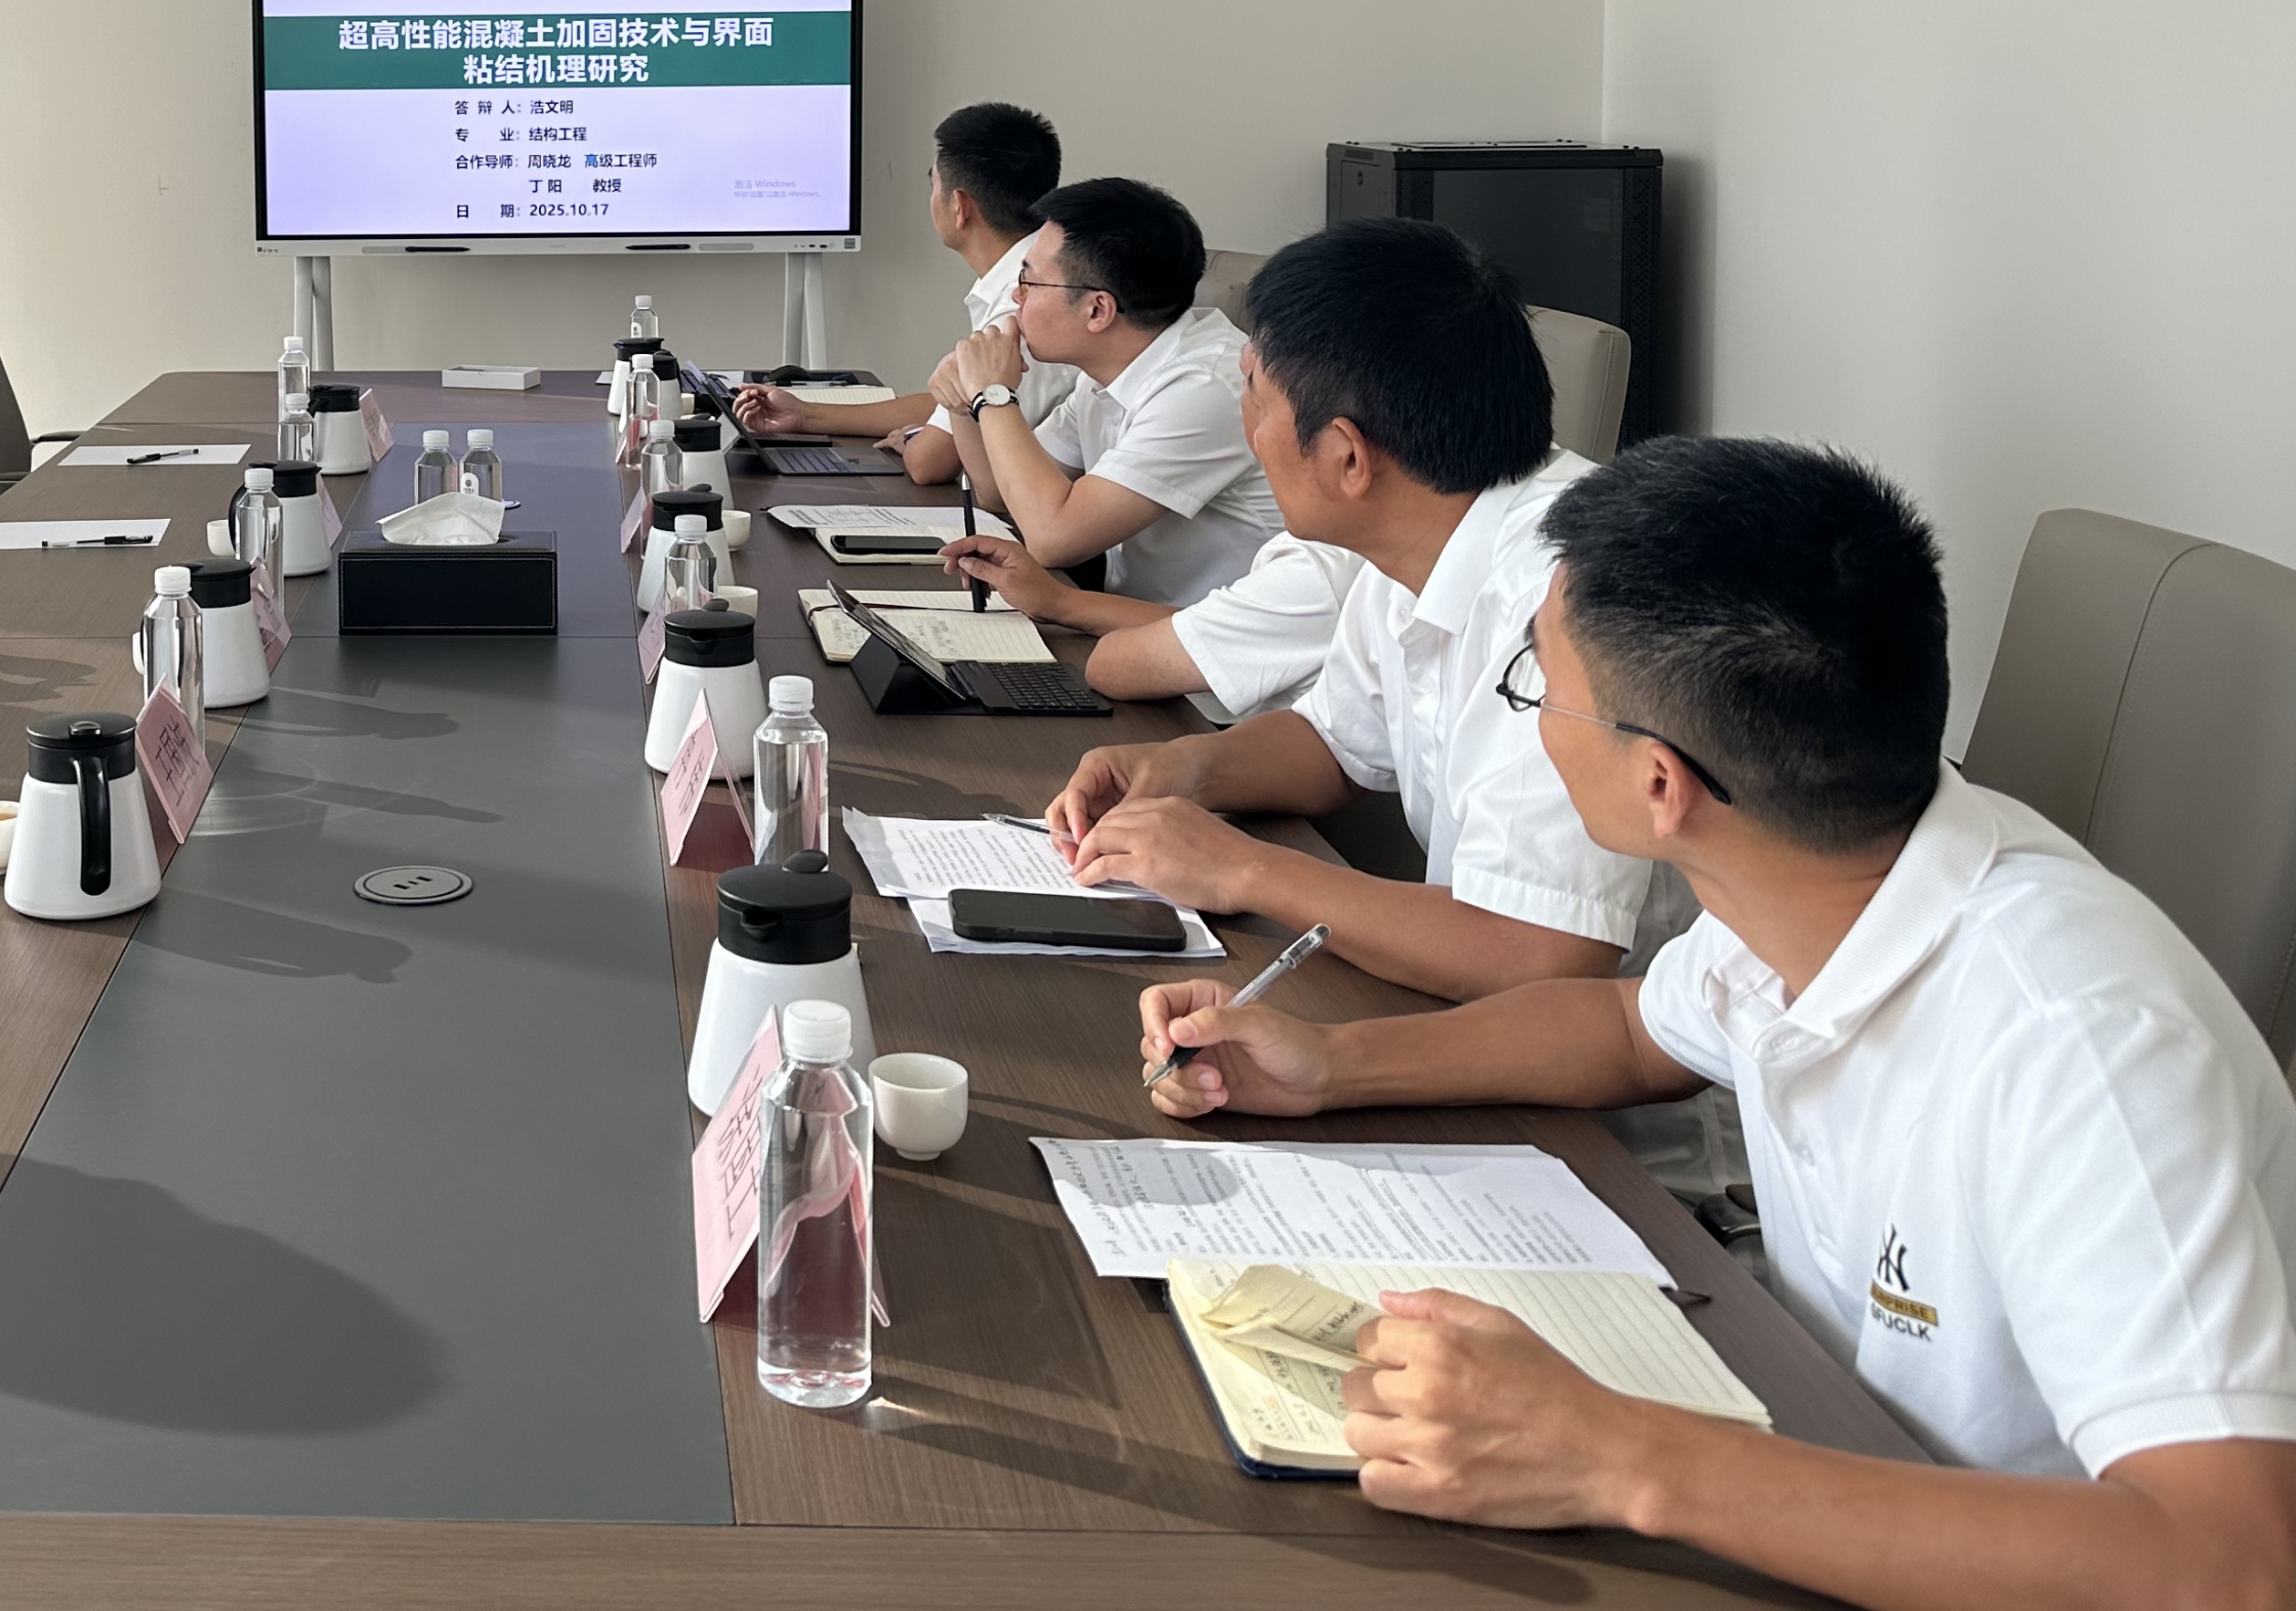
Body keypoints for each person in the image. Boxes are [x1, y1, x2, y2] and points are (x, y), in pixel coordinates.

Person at [1132, 438, 2296, 1611]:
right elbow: (1631, 1029)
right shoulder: (1816, 864)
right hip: (1815, 1441)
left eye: (1536, 687)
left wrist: (1615, 1455)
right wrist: (1333, 1065)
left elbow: (2232, 1562)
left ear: (1660, 786)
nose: (1530, 717)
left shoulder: (2079, 1040)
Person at [1052, 218, 1676, 1001]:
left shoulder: (1562, 599)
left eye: (1254, 395)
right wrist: (1182, 770)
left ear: (1347, 457)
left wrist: (1243, 869)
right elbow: (1335, 742)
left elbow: (1536, 956)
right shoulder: (1418, 527)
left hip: (1621, 1063)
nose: (1249, 432)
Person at [930, 179, 1286, 609]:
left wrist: (994, 394)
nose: (1015, 296)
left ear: (1098, 310)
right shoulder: (1110, 369)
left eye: (1029, 281)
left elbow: (1052, 539)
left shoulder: (1204, 386)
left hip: (1210, 642)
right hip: (1133, 621)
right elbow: (1001, 496)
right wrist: (964, 402)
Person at [732, 99, 1058, 451]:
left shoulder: (1026, 304)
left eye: (934, 185)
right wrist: (806, 415)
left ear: (959, 207)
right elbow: (948, 406)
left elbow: (934, 457)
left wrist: (916, 442)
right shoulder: (1027, 275)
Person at [943, 523, 1359, 710]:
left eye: (1258, 400)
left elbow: (1115, 666)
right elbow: (1196, 625)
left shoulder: (1321, 570)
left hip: (1227, 730)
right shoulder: (1343, 557)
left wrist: (989, 397)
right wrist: (1056, 601)